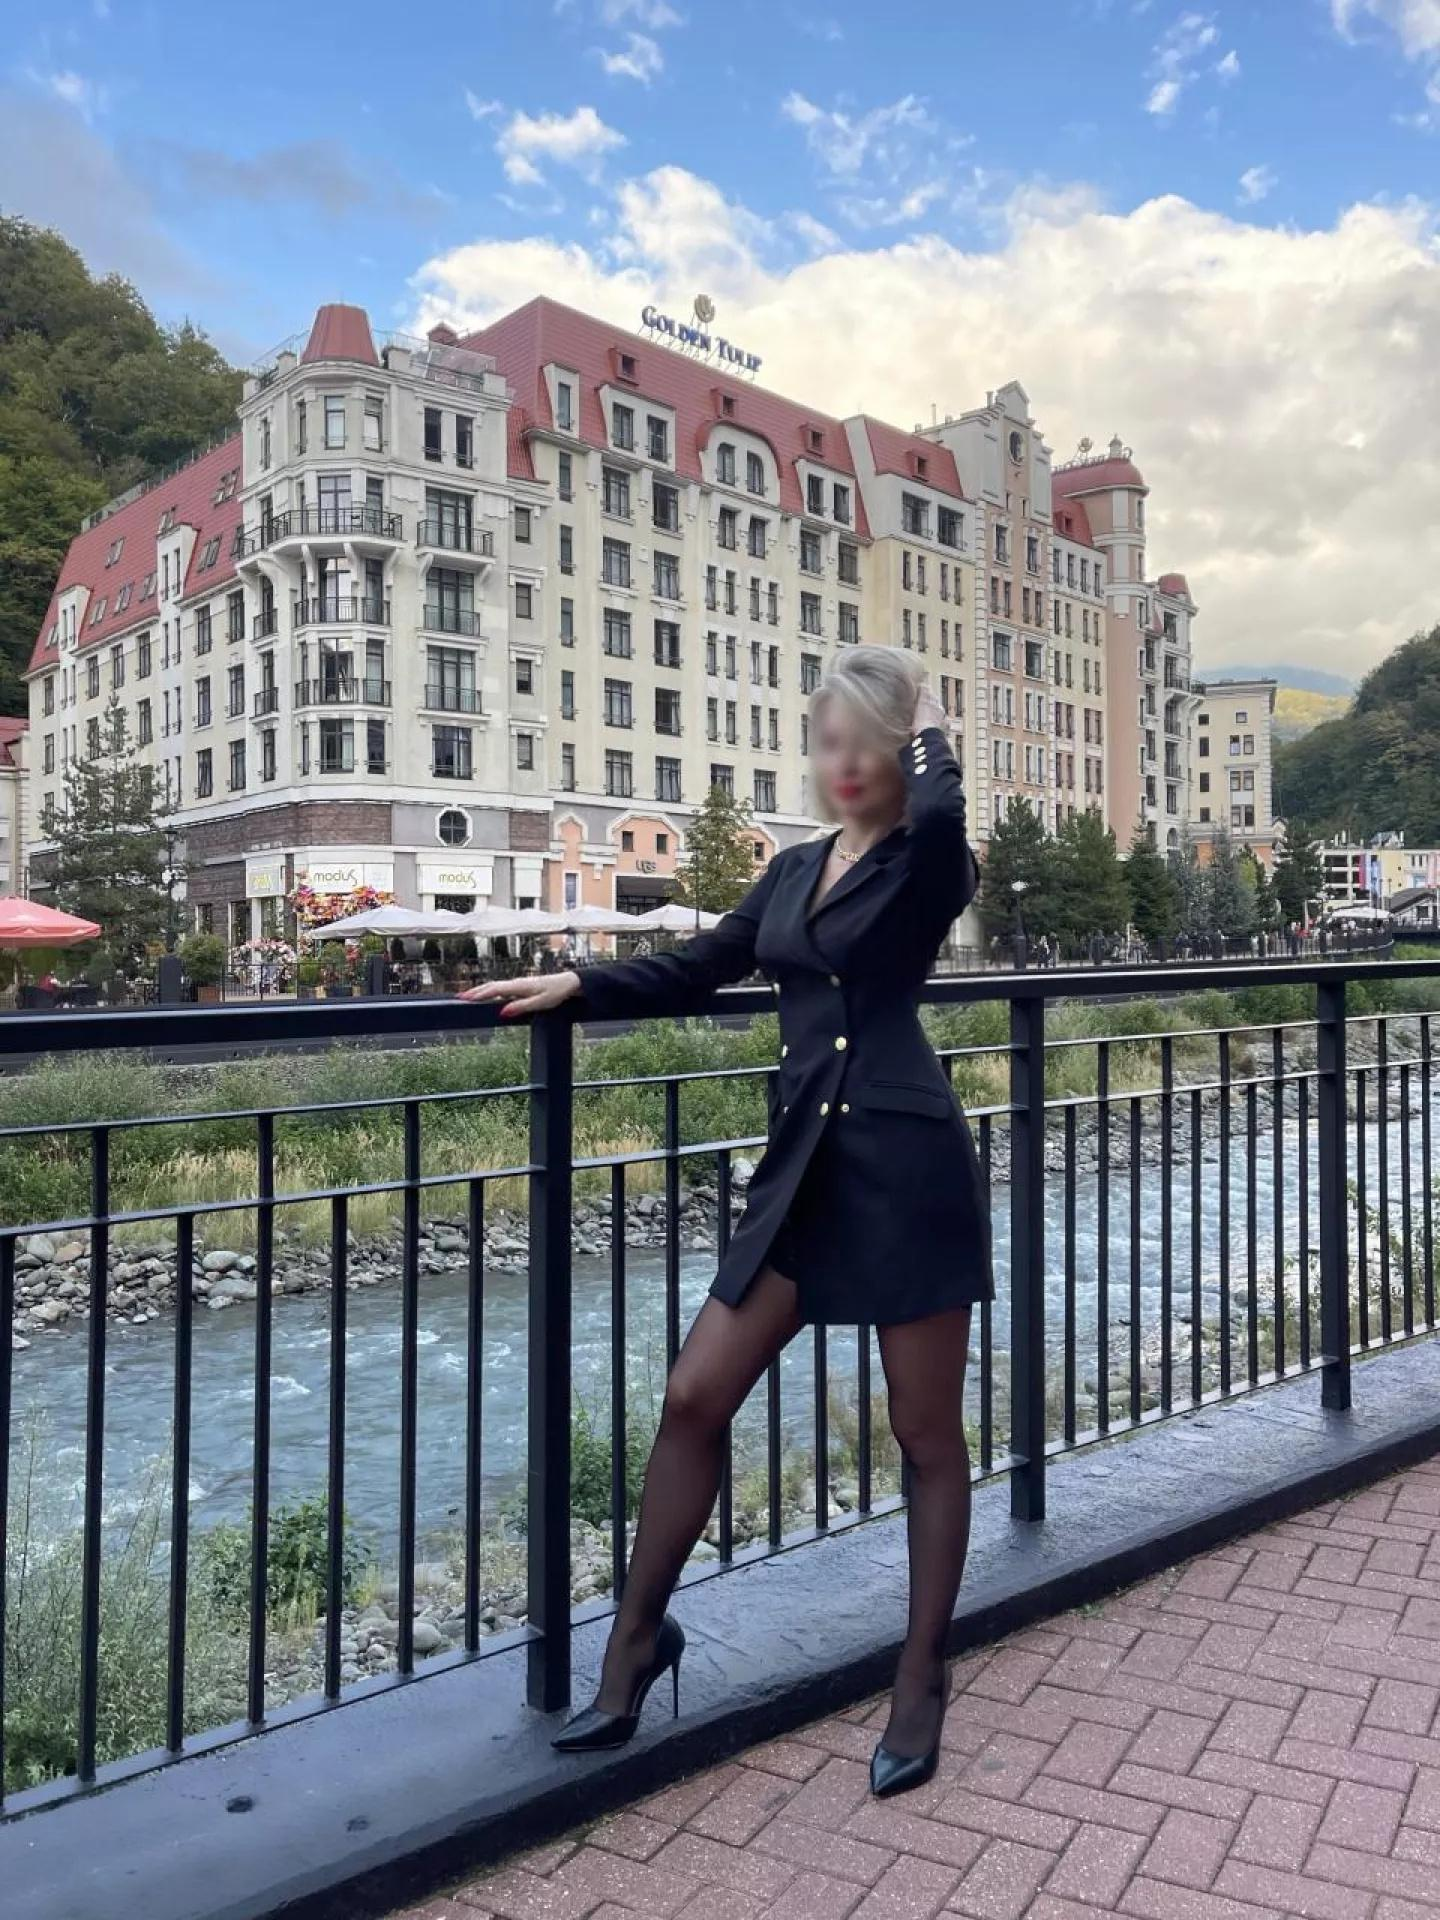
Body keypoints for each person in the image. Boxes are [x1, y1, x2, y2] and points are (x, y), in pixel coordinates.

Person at [461, 647, 992, 1800]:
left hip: (906, 1170)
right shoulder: (793, 870)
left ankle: (920, 1676)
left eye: (865, 743)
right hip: (803, 1172)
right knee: (694, 1394)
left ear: (899, 753)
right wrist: (580, 986)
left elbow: (948, 809)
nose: (843, 763)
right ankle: (635, 1645)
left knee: (923, 1434)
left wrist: (929, 721)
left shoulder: (929, 863)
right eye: (827, 742)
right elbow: (699, 966)